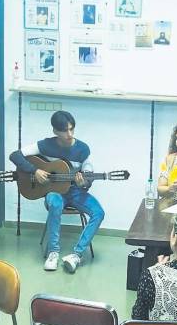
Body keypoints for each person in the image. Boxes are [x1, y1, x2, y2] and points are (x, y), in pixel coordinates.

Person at [9, 110, 105, 273]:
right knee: (54, 203)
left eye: (72, 129)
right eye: (65, 130)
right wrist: (35, 171)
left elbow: (88, 173)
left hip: (75, 191)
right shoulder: (45, 145)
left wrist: (84, 183)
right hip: (54, 191)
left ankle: (76, 255)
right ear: (55, 131)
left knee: (99, 212)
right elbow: (15, 155)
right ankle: (53, 252)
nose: (69, 134)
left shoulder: (82, 149)